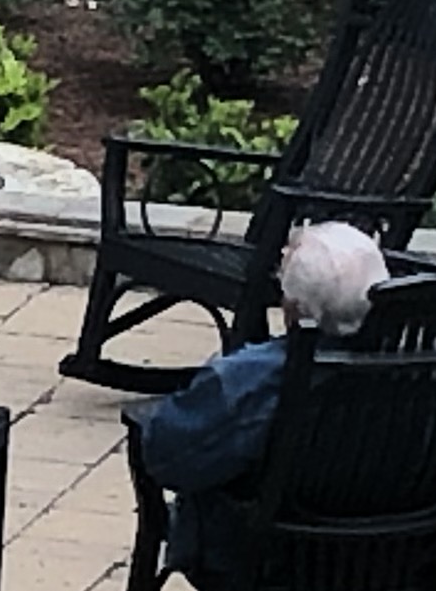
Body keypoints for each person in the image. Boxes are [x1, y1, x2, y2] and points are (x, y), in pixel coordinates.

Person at [133, 221, 391, 572]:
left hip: (273, 562)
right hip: (392, 561)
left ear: (292, 307)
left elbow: (166, 459)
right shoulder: (428, 370)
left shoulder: (252, 381)